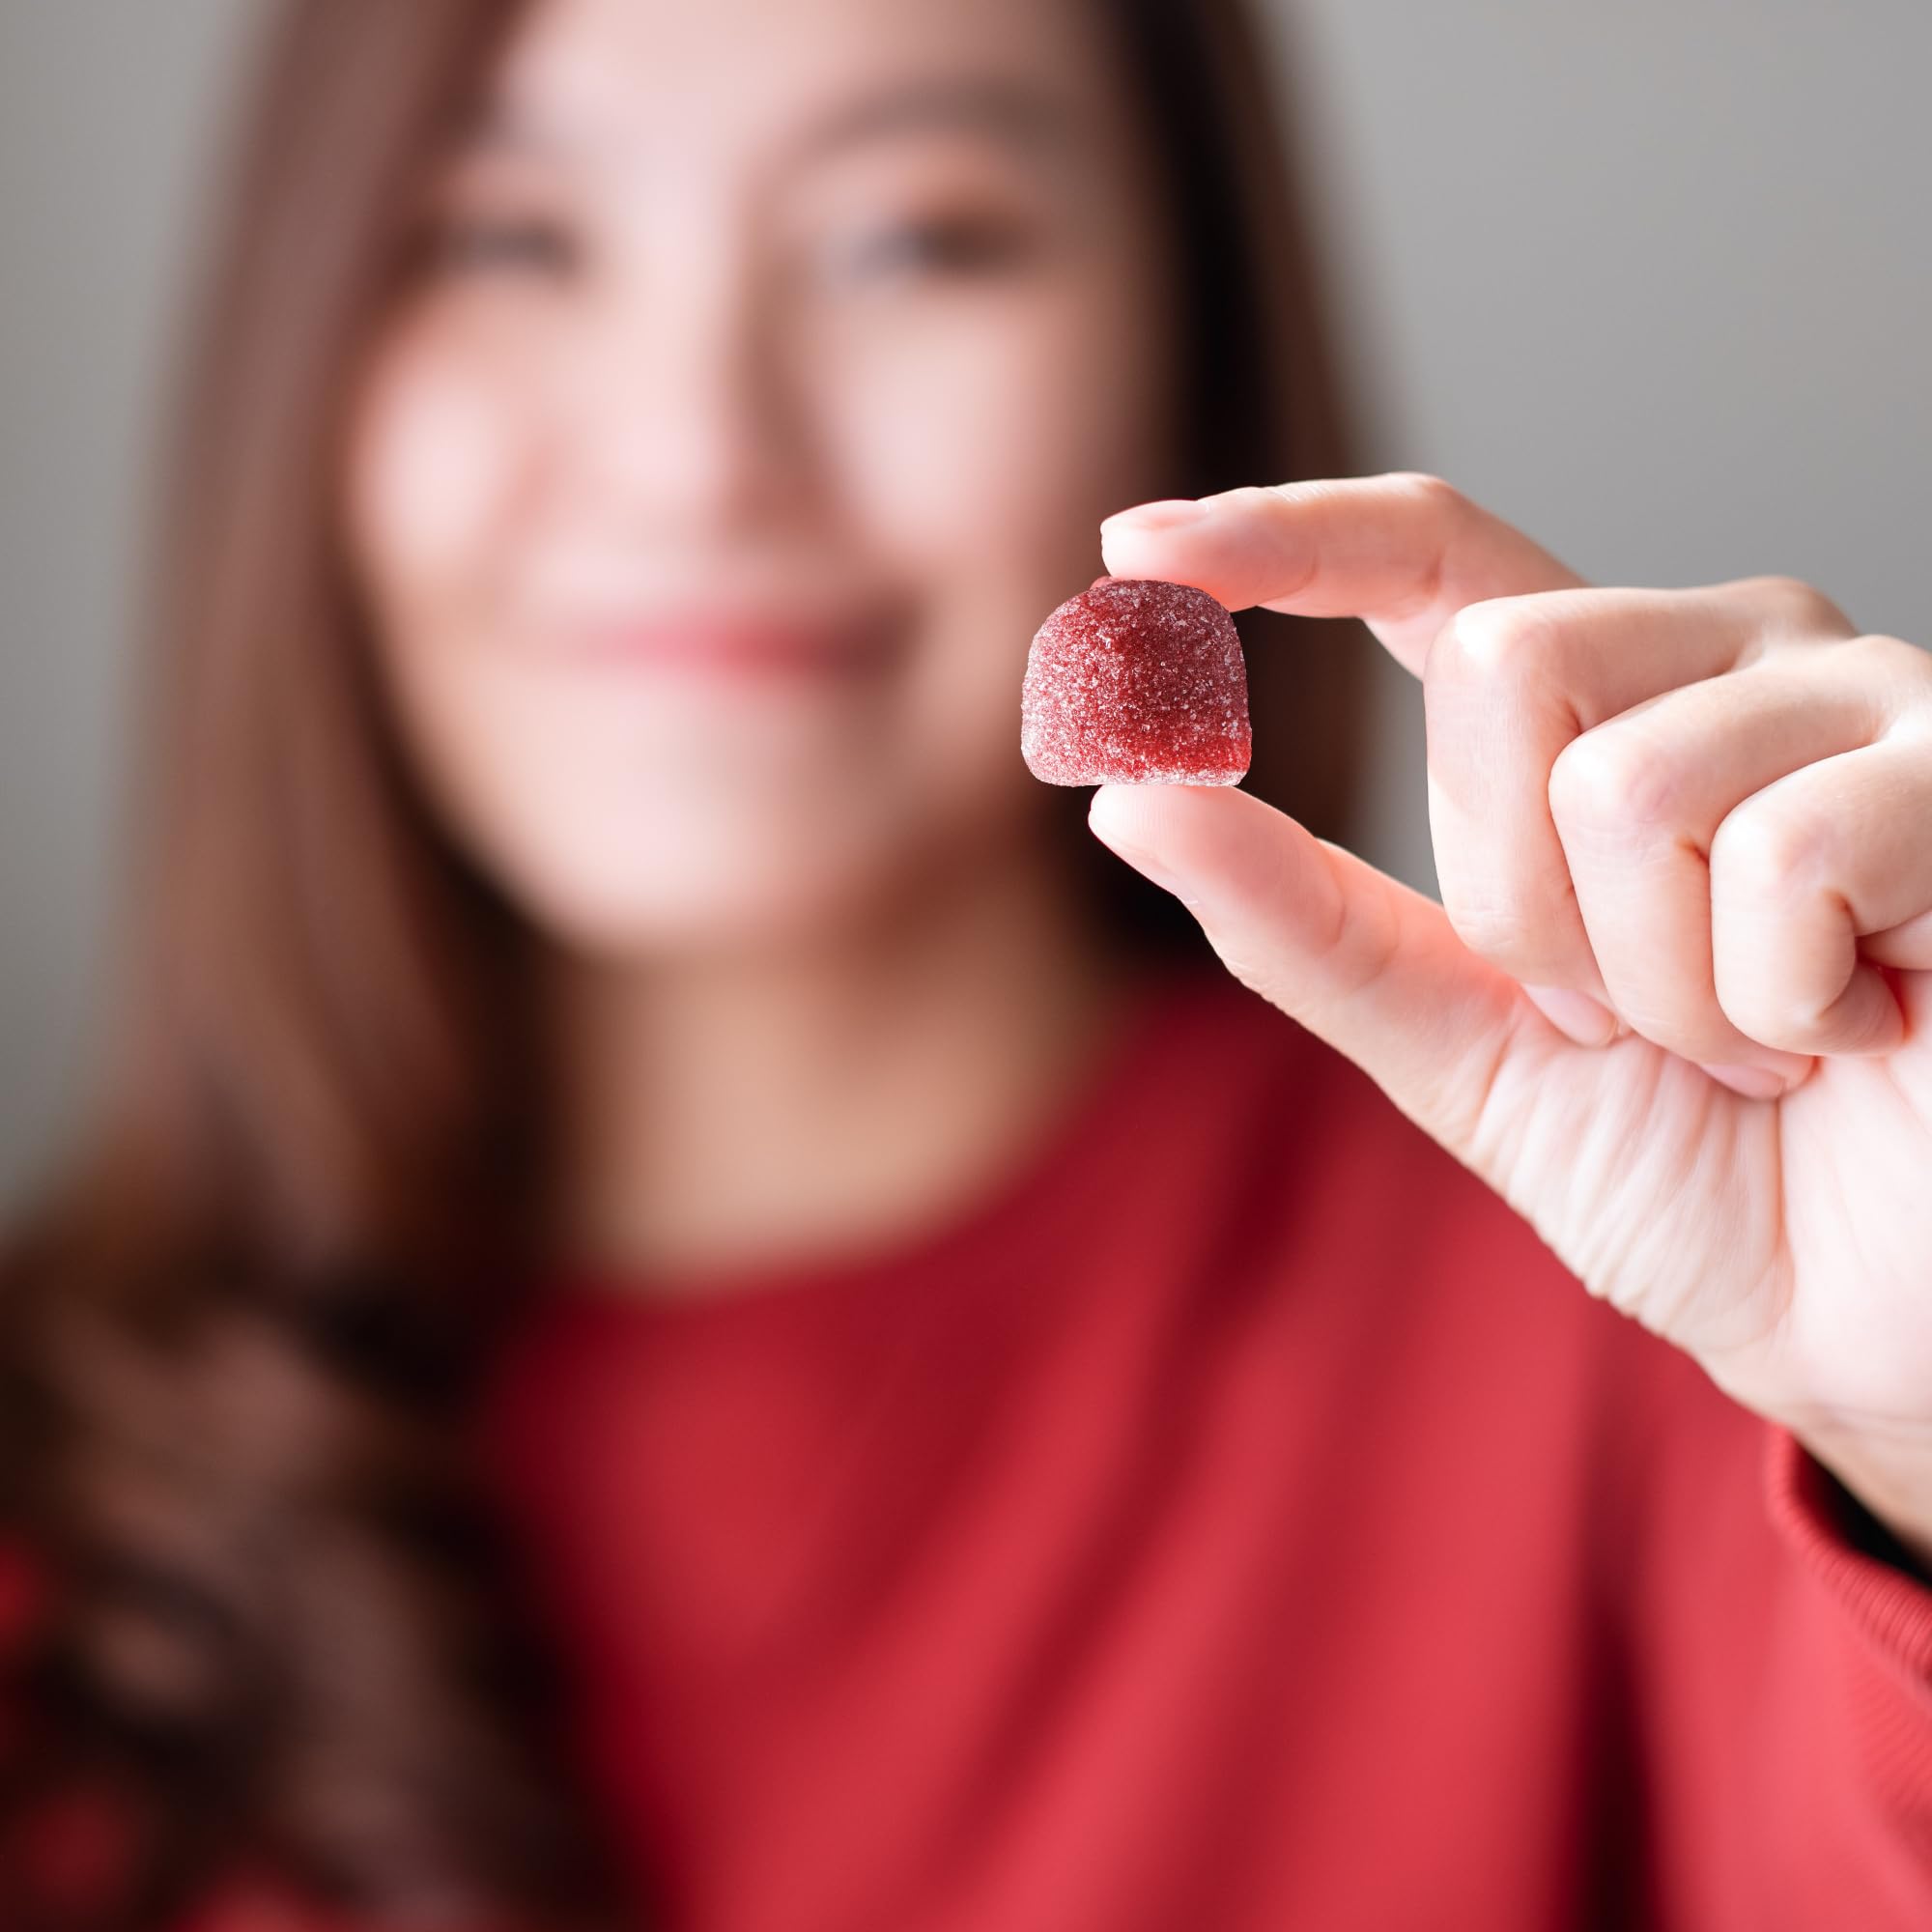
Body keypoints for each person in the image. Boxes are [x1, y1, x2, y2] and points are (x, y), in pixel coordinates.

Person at [2, 0, 1929, 1925]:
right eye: (511, 236)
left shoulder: (1667, 1308)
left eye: (915, 235)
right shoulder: (55, 1487)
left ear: (1188, 341)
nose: (697, 453)